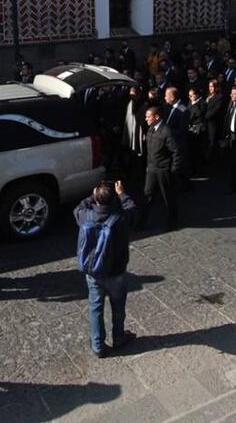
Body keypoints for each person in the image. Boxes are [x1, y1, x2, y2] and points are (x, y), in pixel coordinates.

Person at [74, 181, 137, 358]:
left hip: (94, 272)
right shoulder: (121, 219)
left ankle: (98, 346)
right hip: (116, 272)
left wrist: (92, 195)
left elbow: (78, 207)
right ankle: (119, 337)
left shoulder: (86, 216)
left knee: (95, 307)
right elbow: (132, 209)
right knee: (118, 306)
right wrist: (122, 194)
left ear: (96, 198)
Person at [142, 105, 182, 231]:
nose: (146, 119)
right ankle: (142, 221)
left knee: (167, 196)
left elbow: (176, 151)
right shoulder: (150, 129)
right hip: (152, 168)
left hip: (163, 169)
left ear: (156, 117)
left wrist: (174, 169)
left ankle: (172, 221)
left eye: (148, 116)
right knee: (147, 194)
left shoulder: (166, 131)